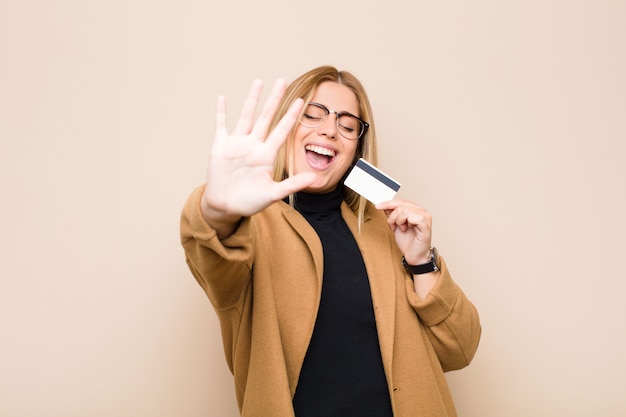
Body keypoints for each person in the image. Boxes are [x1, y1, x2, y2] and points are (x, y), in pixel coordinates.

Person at [180, 65, 481, 417]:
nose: (329, 130)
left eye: (347, 125)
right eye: (312, 115)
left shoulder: (385, 231)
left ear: (356, 150)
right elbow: (212, 253)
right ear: (286, 128)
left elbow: (460, 350)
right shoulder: (249, 229)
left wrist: (421, 262)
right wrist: (218, 210)